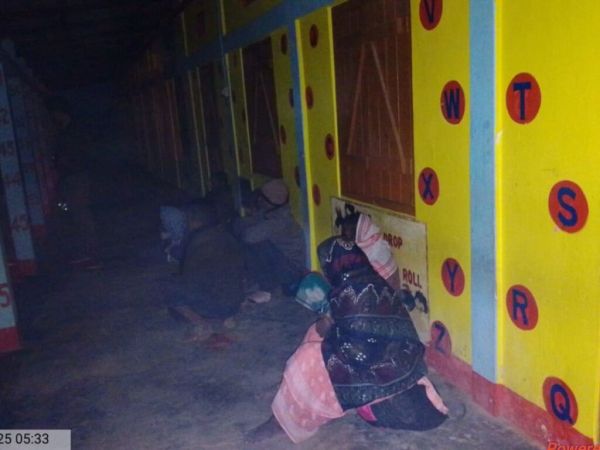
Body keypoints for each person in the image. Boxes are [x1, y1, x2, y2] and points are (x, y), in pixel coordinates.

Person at [247, 208, 454, 444]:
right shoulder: (376, 287)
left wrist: (327, 326)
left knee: (309, 359)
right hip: (416, 397)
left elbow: (353, 353)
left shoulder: (352, 298)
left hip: (391, 410)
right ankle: (290, 395)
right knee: (322, 341)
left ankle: (288, 419)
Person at [48, 96, 101, 270]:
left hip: (76, 176)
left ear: (60, 113)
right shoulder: (69, 130)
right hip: (73, 176)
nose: (53, 117)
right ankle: (87, 253)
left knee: (81, 215)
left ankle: (91, 255)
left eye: (54, 113)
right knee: (78, 215)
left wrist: (61, 165)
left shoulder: (72, 132)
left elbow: (74, 155)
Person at [233, 179, 305, 297]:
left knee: (257, 244)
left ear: (268, 202)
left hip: (292, 271)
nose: (259, 200)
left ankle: (268, 289)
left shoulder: (280, 221)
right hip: (284, 264)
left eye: (261, 198)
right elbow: (243, 223)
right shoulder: (273, 213)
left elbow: (248, 236)